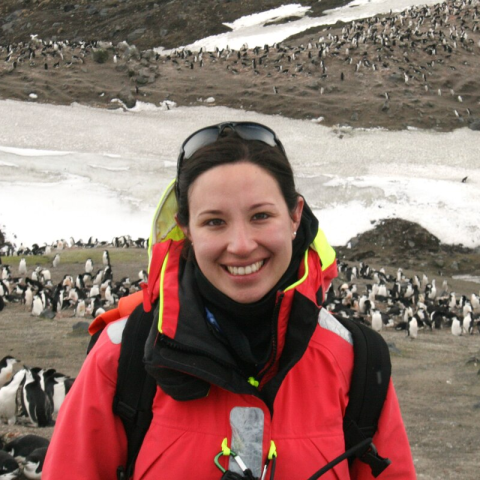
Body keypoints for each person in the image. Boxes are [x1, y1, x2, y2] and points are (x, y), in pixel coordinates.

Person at [43, 122, 415, 479]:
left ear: (295, 215)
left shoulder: (356, 363)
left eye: (261, 216)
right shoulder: (122, 357)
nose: (240, 245)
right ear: (186, 228)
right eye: (214, 222)